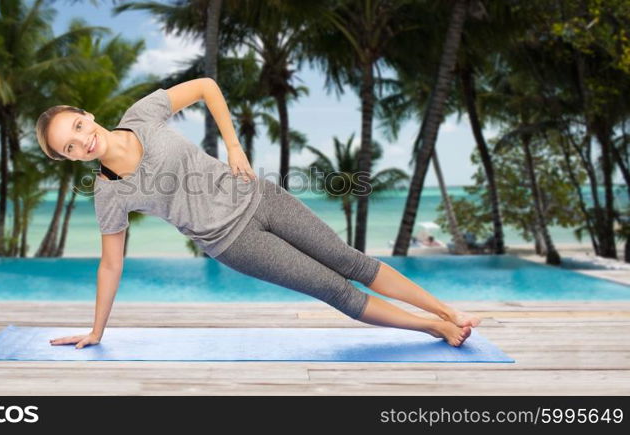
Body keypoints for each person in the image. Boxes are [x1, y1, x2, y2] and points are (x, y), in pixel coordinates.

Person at [35, 78, 481, 350]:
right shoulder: (107, 193)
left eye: (76, 127)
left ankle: (450, 312)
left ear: (87, 115)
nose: (81, 141)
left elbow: (207, 86)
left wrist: (233, 145)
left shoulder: (142, 115)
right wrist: (96, 331)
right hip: (234, 243)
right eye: (68, 147)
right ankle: (434, 328)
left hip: (261, 195)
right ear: (70, 158)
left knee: (352, 262)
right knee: (335, 290)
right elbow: (111, 264)